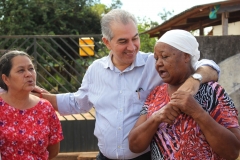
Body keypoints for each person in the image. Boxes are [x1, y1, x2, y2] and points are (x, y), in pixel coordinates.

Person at [34, 9, 220, 160]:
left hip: (145, 156)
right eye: (123, 41)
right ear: (107, 42)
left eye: (135, 38)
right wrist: (41, 98)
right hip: (104, 157)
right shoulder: (95, 70)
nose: (132, 47)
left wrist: (194, 81)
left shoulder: (154, 65)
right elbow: (78, 102)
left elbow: (208, 66)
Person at [128, 29, 240, 160]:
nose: (158, 63)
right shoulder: (155, 95)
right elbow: (134, 145)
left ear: (186, 56)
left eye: (165, 56)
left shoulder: (213, 92)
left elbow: (233, 151)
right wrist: (156, 118)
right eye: (156, 58)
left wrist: (197, 112)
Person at [0, 50, 64, 160]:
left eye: (31, 69)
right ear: (6, 79)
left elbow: (53, 151)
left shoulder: (45, 107)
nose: (29, 74)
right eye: (21, 70)